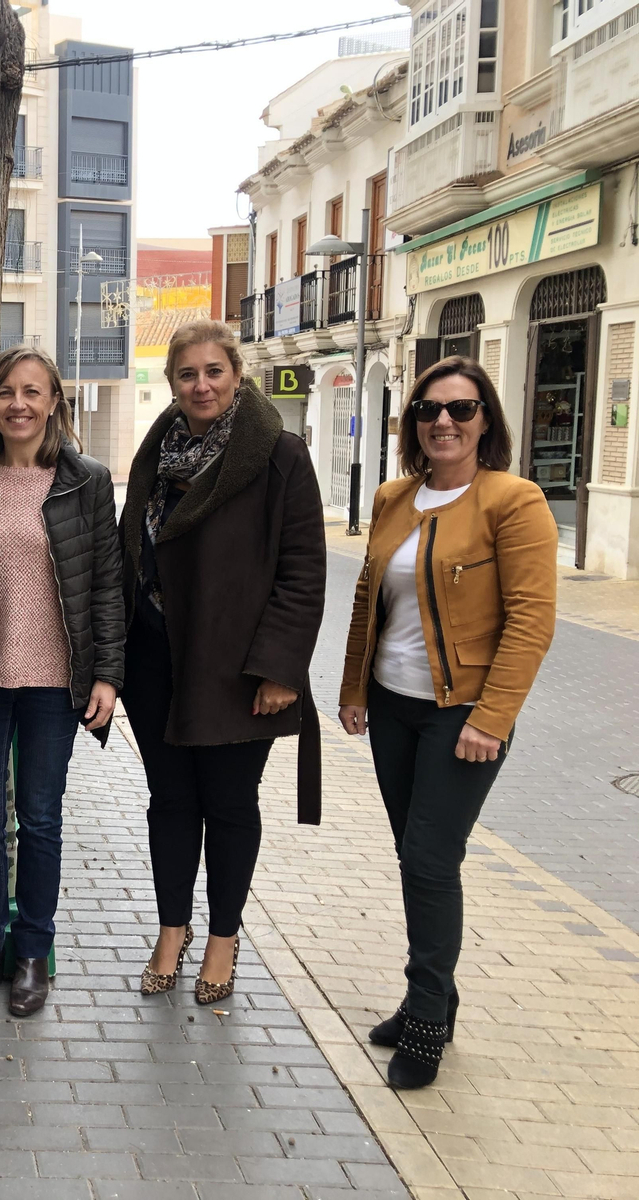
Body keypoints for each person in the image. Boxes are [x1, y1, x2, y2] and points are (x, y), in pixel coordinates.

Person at [339, 356, 556, 1089]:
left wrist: (491, 718)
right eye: (429, 410)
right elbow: (370, 598)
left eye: (461, 410)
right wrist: (354, 690)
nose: (443, 422)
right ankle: (433, 993)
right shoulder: (394, 497)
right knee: (415, 857)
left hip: (463, 712)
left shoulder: (513, 501)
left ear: (485, 420)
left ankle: (429, 1018)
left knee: (431, 862)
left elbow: (531, 622)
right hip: (395, 706)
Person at [120, 319, 325, 1007]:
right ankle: (171, 931)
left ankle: (223, 940)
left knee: (230, 805)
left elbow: (302, 570)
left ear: (236, 374)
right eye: (187, 374)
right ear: (173, 383)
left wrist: (280, 668)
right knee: (171, 803)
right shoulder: (158, 450)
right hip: (156, 660)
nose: (201, 384)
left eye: (213, 371)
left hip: (237, 672)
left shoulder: (278, 455)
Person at [0, 345, 125, 1018]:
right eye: (7, 392)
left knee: (39, 823)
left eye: (33, 392)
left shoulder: (87, 481)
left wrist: (107, 678)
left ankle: (32, 954)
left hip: (53, 683)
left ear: (55, 403)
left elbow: (105, 589)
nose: (19, 404)